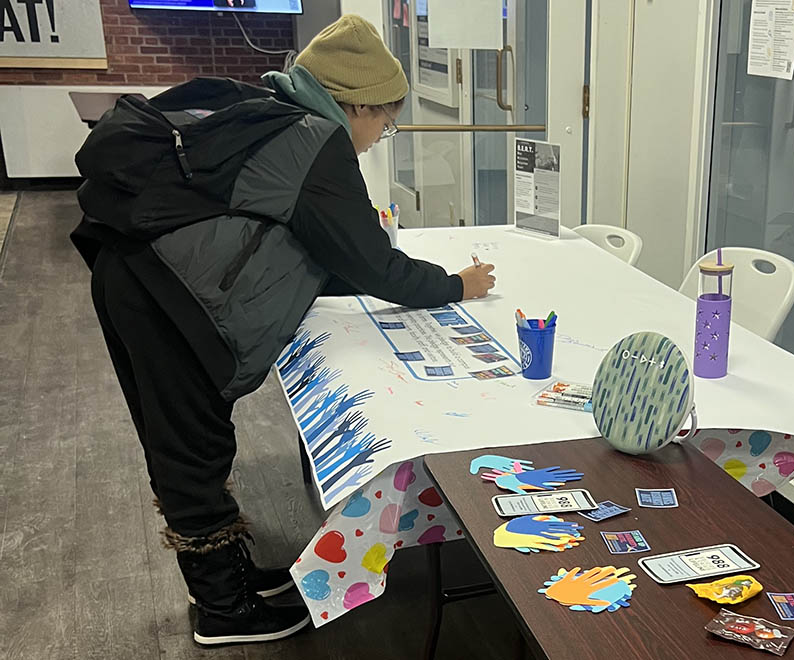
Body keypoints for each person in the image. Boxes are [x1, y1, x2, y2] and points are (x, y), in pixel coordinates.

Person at [71, 15, 496, 646]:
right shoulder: (316, 141)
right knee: (193, 446)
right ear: (353, 105)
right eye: (384, 118)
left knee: (187, 439)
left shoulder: (271, 105)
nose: (383, 134)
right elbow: (371, 262)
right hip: (169, 299)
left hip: (133, 273)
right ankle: (224, 610)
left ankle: (233, 577)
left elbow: (312, 247)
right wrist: (458, 285)